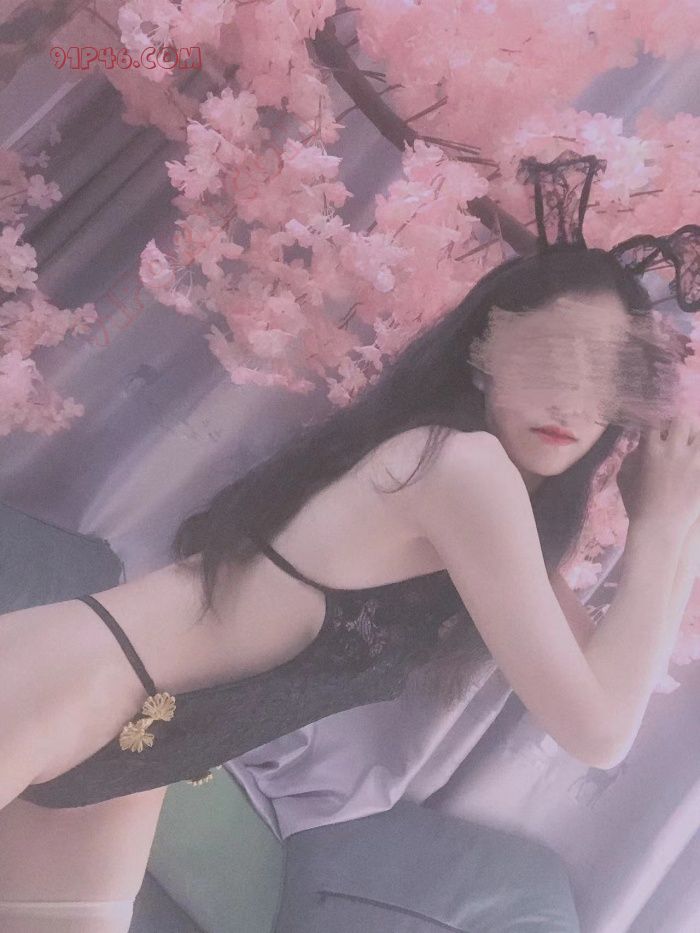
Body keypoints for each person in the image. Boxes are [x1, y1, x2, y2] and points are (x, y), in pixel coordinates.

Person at [1, 151, 699, 932]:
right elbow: (597, 731)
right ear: (487, 353)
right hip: (64, 681)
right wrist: (662, 528)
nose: (571, 399)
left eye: (606, 380)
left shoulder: (489, 512)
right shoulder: (461, 470)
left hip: (137, 753)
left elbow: (609, 681)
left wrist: (673, 522)